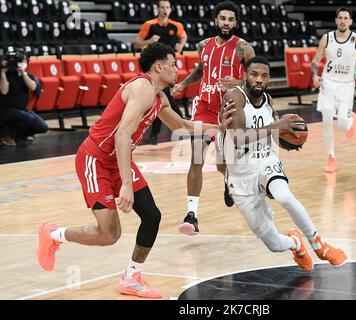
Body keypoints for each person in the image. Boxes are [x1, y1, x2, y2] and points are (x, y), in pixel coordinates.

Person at [36, 43, 236, 299]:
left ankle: (131, 277)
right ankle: (53, 234)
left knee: (152, 216)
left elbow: (184, 126)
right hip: (95, 159)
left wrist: (219, 129)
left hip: (119, 160)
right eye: (173, 64)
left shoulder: (159, 97)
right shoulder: (141, 88)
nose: (178, 69)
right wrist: (127, 186)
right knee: (109, 235)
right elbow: (121, 135)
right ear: (158, 66)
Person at [218, 56, 347, 272]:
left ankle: (318, 244)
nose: (259, 80)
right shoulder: (233, 97)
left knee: (284, 196)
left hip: (265, 161)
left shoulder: (267, 99)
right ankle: (296, 243)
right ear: (245, 76)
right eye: (254, 75)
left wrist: (290, 138)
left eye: (264, 76)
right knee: (274, 244)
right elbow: (239, 137)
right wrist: (277, 126)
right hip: (240, 175)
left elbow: (274, 132)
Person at [171, 1, 255, 235]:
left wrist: (238, 82)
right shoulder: (203, 45)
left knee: (222, 162)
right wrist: (183, 84)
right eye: (222, 18)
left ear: (235, 23)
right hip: (204, 107)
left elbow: (256, 78)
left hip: (230, 110)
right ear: (215, 20)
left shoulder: (244, 48)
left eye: (230, 19)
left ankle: (229, 179)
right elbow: (201, 70)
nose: (226, 23)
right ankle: (191, 215)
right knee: (196, 157)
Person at [311, 7, 356, 173]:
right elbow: (315, 61)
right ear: (336, 20)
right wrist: (315, 76)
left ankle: (351, 120)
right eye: (340, 18)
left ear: (350, 21)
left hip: (347, 85)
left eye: (346, 18)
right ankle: (331, 157)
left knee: (343, 126)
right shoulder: (326, 38)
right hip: (328, 83)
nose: (343, 21)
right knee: (327, 120)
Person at [134, 0, 186, 145]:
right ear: (158, 9)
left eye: (167, 7)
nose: (165, 9)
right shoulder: (150, 25)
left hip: (169, 69)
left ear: (170, 9)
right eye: (162, 7)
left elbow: (184, 36)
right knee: (162, 98)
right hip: (154, 69)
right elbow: (136, 43)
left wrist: (180, 45)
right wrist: (149, 41)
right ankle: (181, 126)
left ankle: (156, 133)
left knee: (160, 99)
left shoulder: (176, 26)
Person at [0, 49, 47, 146]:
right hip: (5, 109)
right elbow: (4, 91)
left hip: (22, 109)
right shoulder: (5, 75)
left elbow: (33, 87)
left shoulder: (27, 75)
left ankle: (20, 135)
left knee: (43, 127)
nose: (21, 63)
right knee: (28, 118)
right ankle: (7, 136)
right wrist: (3, 74)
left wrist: (23, 73)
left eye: (23, 61)